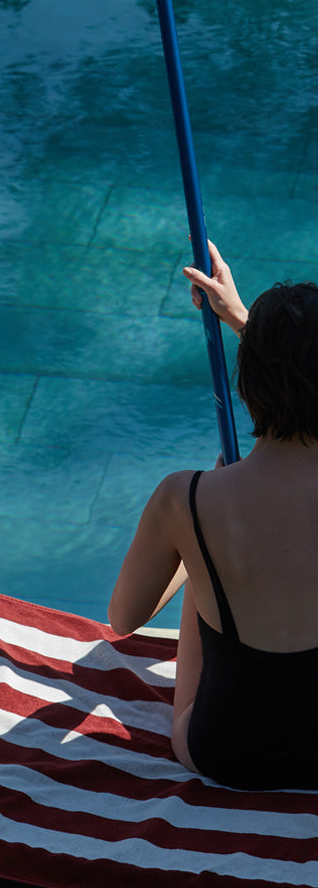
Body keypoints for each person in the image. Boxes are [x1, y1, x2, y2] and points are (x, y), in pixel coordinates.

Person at [108, 241, 318, 790]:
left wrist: (198, 529)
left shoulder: (186, 496)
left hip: (225, 750)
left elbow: (124, 618)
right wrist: (244, 322)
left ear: (244, 389)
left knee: (204, 553)